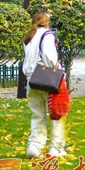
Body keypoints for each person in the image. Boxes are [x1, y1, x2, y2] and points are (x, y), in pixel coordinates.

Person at [21, 11, 66, 158]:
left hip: (31, 79)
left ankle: (34, 146)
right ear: (47, 22)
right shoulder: (47, 36)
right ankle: (55, 147)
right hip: (46, 79)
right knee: (56, 114)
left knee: (37, 115)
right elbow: (50, 59)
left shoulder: (29, 37)